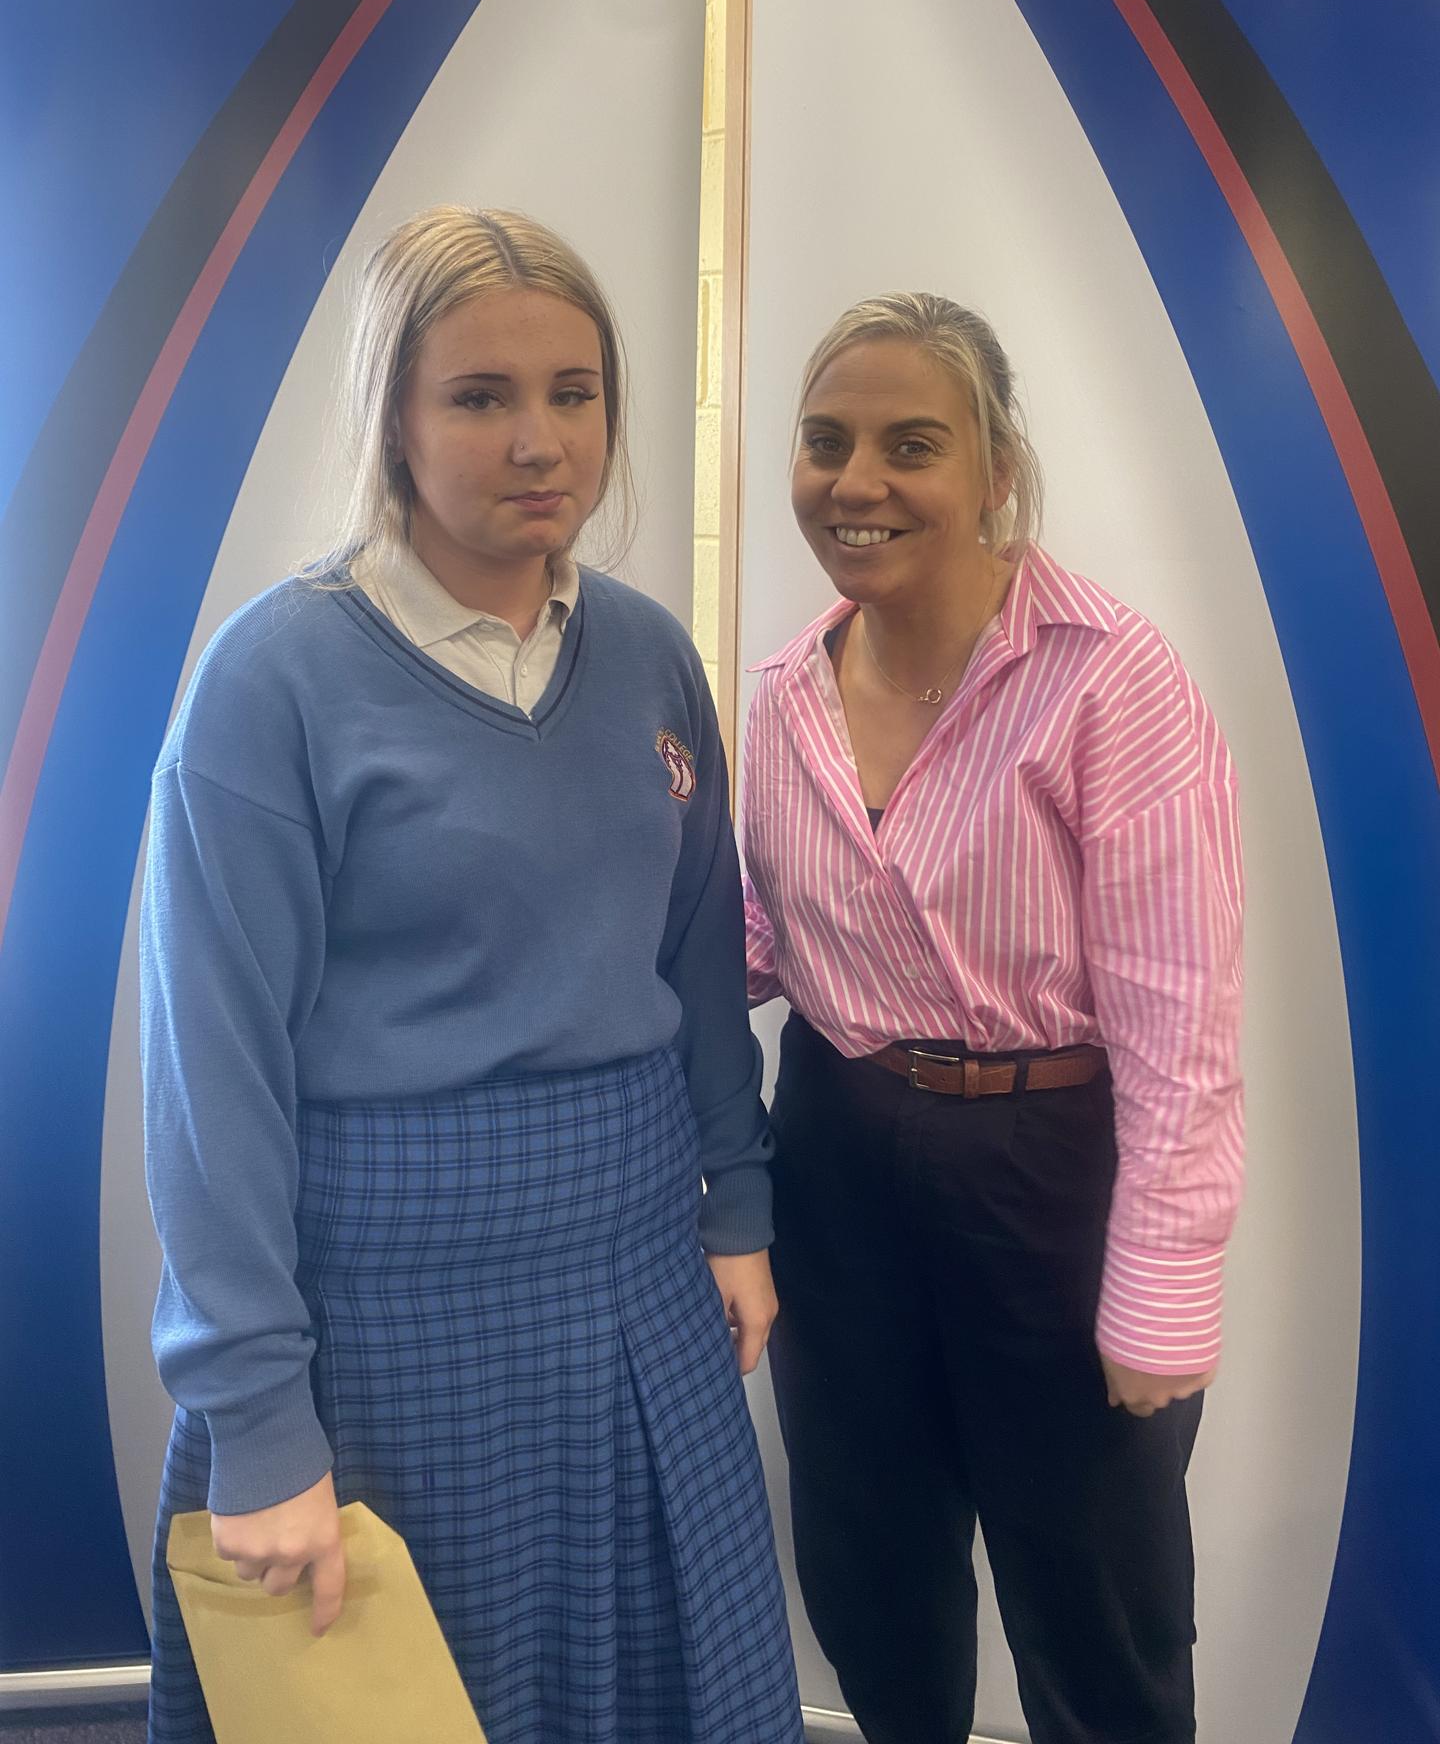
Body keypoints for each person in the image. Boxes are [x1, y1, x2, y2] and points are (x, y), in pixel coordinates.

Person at [141, 206, 803, 1744]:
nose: (539, 441)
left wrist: (739, 1204)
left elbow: (699, 955)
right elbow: (213, 1079)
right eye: (480, 396)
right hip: (388, 1298)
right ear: (393, 417)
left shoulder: (647, 657)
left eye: (575, 393)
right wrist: (256, 1415)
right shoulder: (271, 683)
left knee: (663, 1692)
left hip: (636, 1263)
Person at [741, 292, 1243, 1744]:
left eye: (912, 444)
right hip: (834, 1155)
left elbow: (1181, 1019)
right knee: (870, 1575)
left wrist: (1163, 1283)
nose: (858, 482)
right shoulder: (782, 696)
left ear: (995, 469)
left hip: (1048, 1176)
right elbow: (760, 941)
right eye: (826, 442)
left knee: (1094, 1605)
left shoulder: (1110, 678)